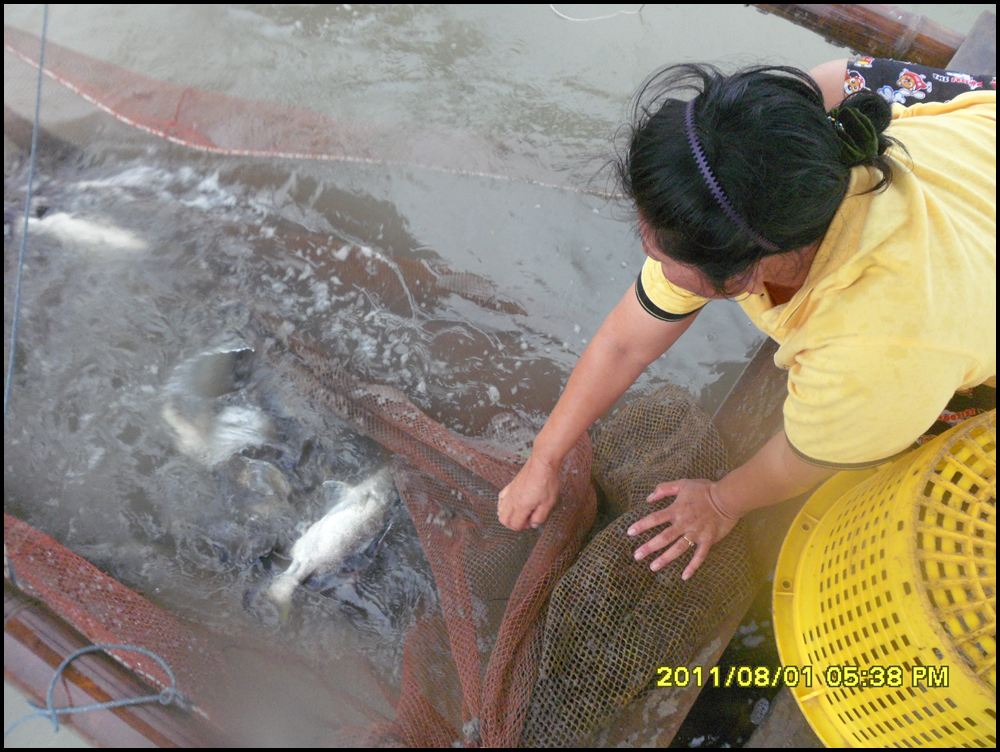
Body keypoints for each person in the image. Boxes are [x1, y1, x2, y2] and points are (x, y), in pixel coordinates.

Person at [496, 56, 996, 580]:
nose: (649, 253)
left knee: (894, 431)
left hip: (947, 301)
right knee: (835, 80)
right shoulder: (810, 137)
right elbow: (626, 343)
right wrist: (545, 457)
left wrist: (720, 502)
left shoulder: (879, 351)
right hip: (973, 136)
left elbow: (802, 460)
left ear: (744, 276)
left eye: (663, 253)